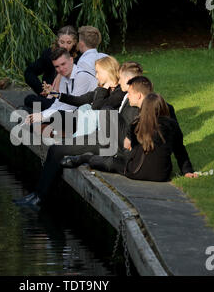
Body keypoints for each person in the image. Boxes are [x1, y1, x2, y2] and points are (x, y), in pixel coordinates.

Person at [14, 61, 143, 207]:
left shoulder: (124, 95)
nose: (96, 75)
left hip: (106, 141)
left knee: (58, 149)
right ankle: (38, 194)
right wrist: (55, 94)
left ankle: (40, 197)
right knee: (56, 149)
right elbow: (80, 100)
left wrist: (103, 89)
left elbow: (98, 107)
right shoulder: (118, 92)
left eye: (98, 72)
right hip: (98, 134)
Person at [62, 93, 198, 181]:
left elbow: (127, 145)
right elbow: (180, 150)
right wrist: (187, 171)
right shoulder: (173, 125)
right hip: (161, 175)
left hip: (135, 171)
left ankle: (82, 158)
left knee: (110, 162)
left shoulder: (136, 123)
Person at [24, 47, 98, 131]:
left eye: (63, 64)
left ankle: (57, 131)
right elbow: (58, 103)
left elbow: (72, 105)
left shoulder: (82, 76)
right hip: (73, 112)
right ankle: (47, 127)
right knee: (29, 115)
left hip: (89, 117)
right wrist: (41, 114)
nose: (61, 69)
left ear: (71, 60)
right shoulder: (63, 77)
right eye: (57, 66)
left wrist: (43, 116)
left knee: (57, 115)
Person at [23, 26, 79, 110]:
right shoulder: (49, 54)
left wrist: (61, 74)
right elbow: (29, 72)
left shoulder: (79, 58)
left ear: (74, 42)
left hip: (68, 99)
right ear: (57, 41)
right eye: (62, 42)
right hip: (49, 97)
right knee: (29, 99)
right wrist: (41, 89)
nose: (65, 46)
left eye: (69, 42)